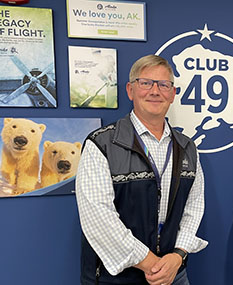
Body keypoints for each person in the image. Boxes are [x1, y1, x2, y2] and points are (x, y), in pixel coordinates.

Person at [76, 54, 207, 285]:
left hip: (173, 273)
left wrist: (178, 256)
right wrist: (152, 264)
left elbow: (194, 208)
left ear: (173, 94)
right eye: (146, 83)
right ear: (130, 90)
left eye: (164, 85)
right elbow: (98, 219)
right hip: (117, 276)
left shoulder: (187, 147)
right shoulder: (101, 144)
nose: (155, 91)